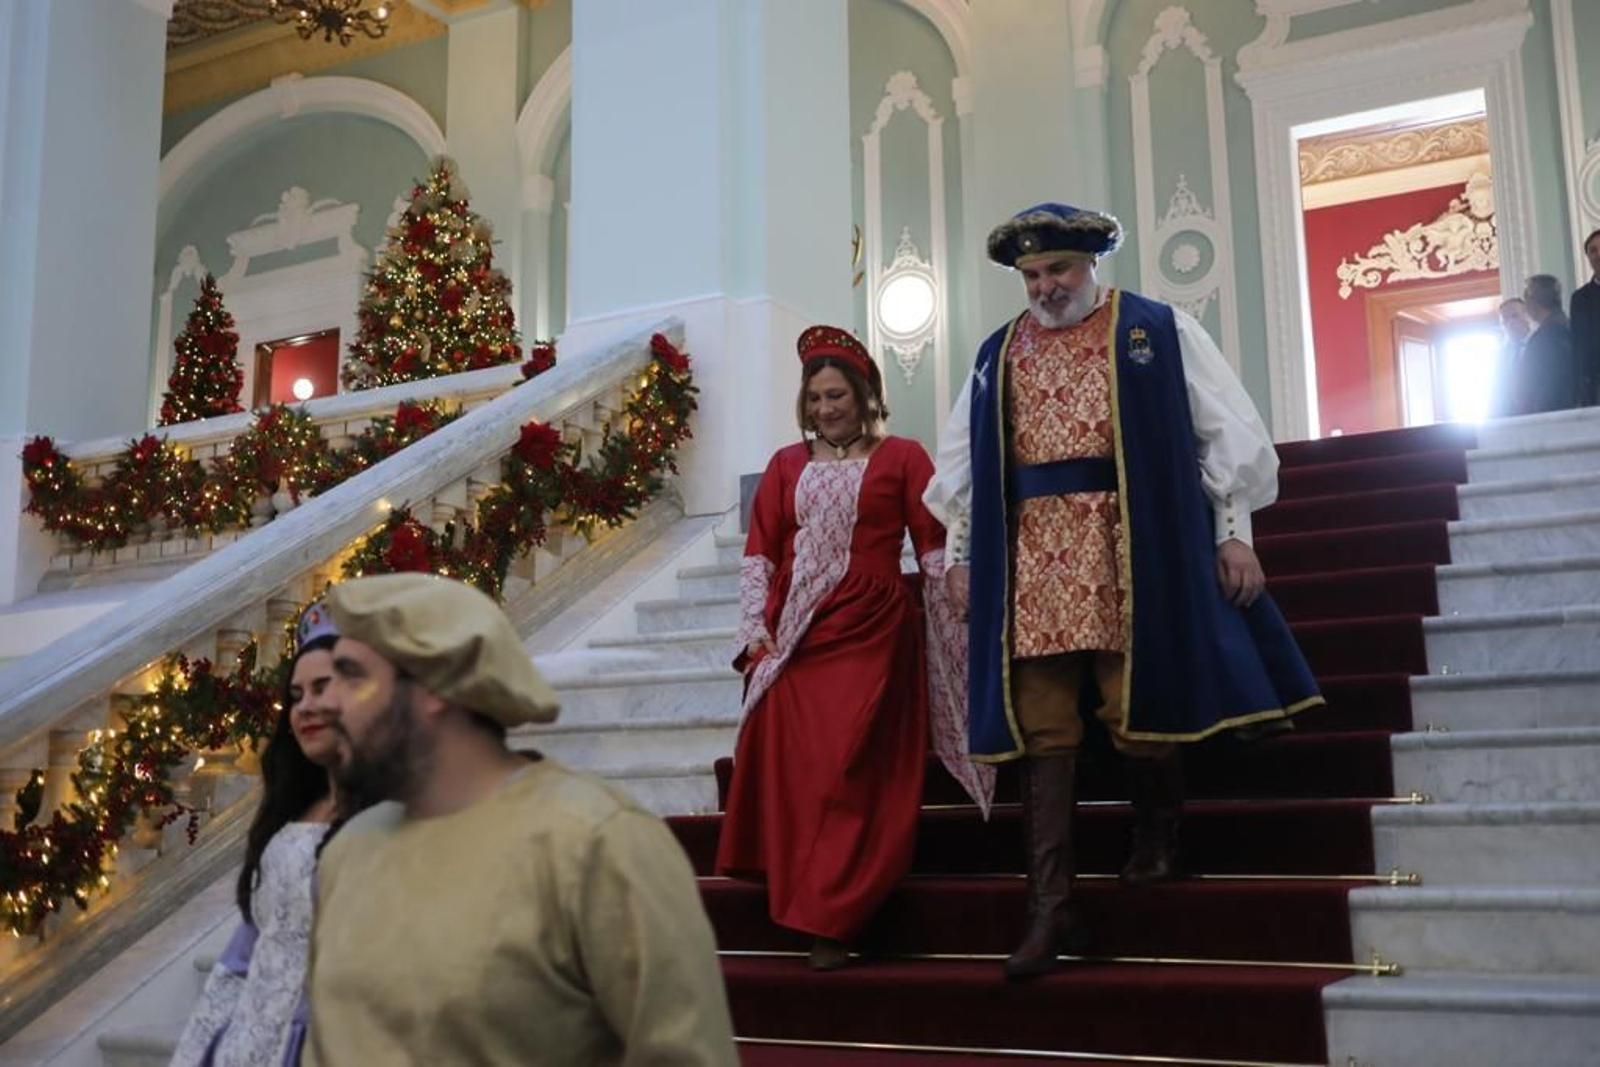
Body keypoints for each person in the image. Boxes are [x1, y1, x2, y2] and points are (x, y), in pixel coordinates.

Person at [924, 203, 1323, 980]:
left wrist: (1233, 530)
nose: (1045, 286)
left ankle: (1158, 835)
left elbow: (1226, 432)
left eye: (1058, 269)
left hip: (1130, 542)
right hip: (1032, 557)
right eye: (1032, 274)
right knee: (1042, 724)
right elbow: (962, 466)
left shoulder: (1156, 330)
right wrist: (961, 557)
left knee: (1132, 703)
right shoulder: (996, 352)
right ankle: (1050, 905)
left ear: (1091, 264)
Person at [304, 572, 736, 1067]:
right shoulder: (349, 849)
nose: (325, 703)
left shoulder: (597, 841)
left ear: (435, 684)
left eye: (352, 675)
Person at [716, 325, 992, 972]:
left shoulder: (905, 457)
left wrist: (958, 595)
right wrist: (755, 628)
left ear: (864, 394)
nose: (825, 408)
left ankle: (834, 912)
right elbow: (761, 552)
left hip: (873, 626)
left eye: (836, 395)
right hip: (799, 630)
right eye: (814, 398)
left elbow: (933, 544)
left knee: (847, 762)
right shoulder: (785, 465)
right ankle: (797, 883)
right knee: (788, 744)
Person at [171, 604, 349, 1067]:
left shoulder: (397, 815)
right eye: (297, 694)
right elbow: (245, 953)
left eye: (322, 687)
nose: (305, 707)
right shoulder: (292, 813)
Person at [1516, 273, 1579, 414]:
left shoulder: (1542, 339)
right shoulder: (1574, 329)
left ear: (1532, 304)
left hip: (1548, 416)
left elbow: (1531, 387)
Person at [1567, 228, 1600, 407]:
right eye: (1593, 250)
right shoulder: (1579, 299)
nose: (1598, 254)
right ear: (1588, 257)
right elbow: (1577, 347)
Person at [1491, 297, 1531, 417]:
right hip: (1507, 418)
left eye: (1515, 316)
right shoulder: (1499, 356)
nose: (1510, 322)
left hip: (1540, 415)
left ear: (1527, 316)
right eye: (1505, 319)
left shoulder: (1541, 345)